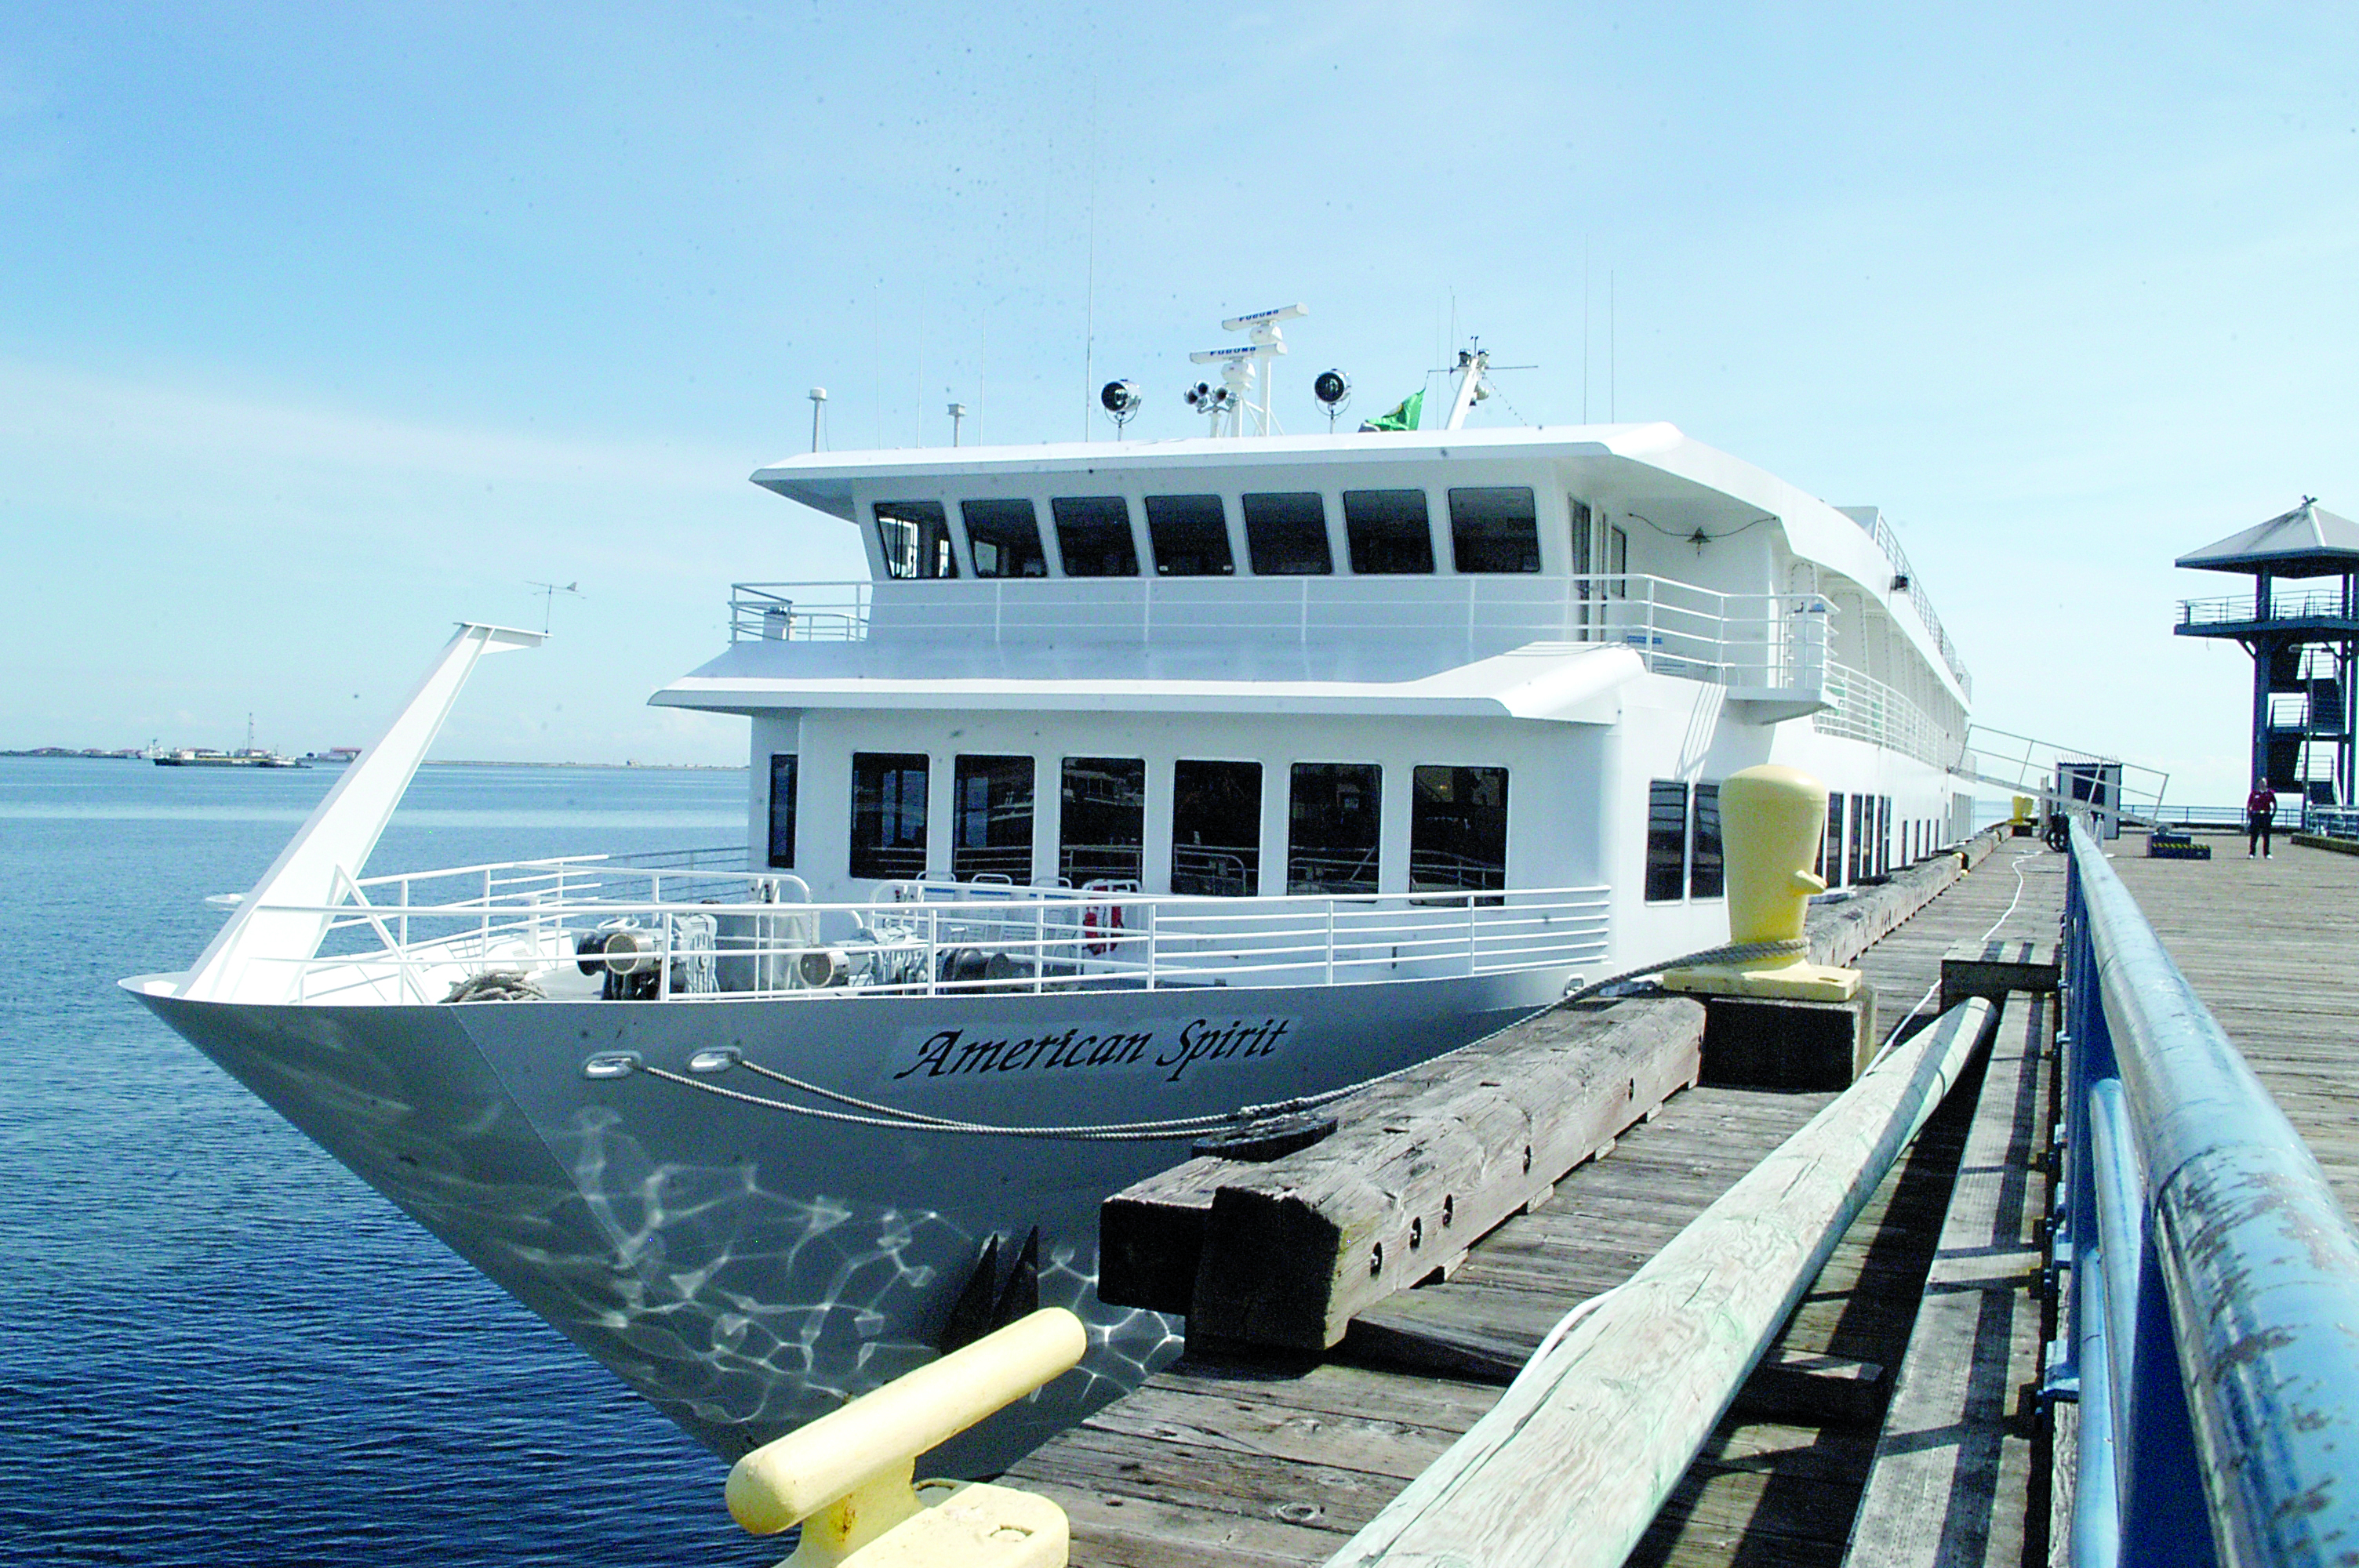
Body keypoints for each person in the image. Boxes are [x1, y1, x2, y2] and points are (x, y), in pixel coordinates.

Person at [2246, 779, 2277, 858]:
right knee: (2254, 835)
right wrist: (2250, 815)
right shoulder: (2254, 793)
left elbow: (2275, 805)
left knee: (2266, 835)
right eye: (2261, 783)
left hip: (2266, 815)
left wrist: (2272, 815)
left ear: (2266, 784)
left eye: (2264, 783)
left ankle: (2267, 853)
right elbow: (2249, 805)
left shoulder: (2270, 793)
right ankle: (2252, 853)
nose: (2262, 784)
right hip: (2256, 815)